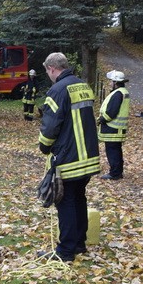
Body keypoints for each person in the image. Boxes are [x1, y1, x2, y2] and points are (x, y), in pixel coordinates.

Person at [38, 52, 100, 262]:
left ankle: (65, 251)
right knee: (79, 198)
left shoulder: (57, 90)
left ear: (52, 69)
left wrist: (44, 146)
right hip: (88, 155)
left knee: (65, 202)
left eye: (47, 71)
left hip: (69, 157)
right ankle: (79, 243)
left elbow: (50, 126)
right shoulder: (82, 85)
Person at [98, 70, 130, 180]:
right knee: (116, 150)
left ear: (115, 82)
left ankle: (114, 173)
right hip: (117, 128)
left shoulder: (117, 94)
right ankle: (117, 172)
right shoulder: (123, 92)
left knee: (112, 151)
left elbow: (111, 112)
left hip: (112, 128)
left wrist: (102, 119)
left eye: (111, 81)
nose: (110, 83)